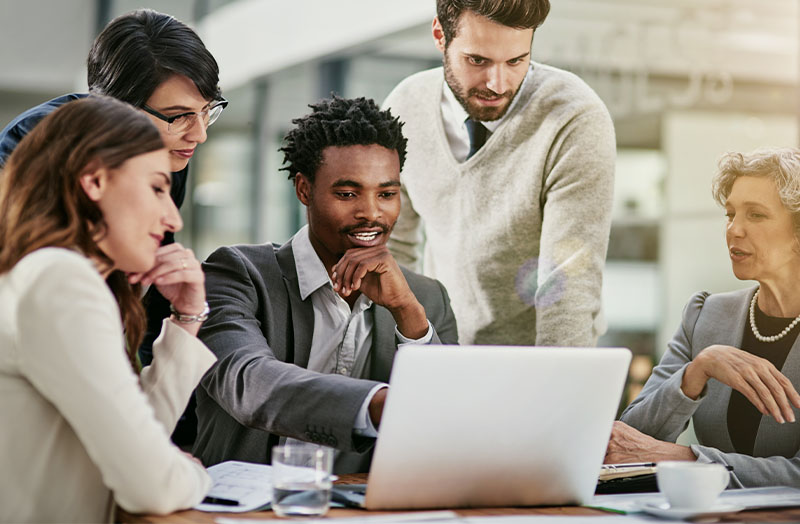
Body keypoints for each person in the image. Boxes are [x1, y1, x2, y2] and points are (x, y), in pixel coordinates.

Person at [192, 96, 459, 473]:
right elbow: (248, 382)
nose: (371, 212)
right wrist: (380, 404)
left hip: (360, 511)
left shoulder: (427, 299)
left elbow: (449, 427)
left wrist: (408, 314)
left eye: (387, 193)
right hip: (245, 510)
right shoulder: (237, 274)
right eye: (348, 194)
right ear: (304, 190)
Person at [0, 8, 226, 446]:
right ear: (113, 110)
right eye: (180, 115)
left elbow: (149, 295)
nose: (198, 134)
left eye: (208, 111)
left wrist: (171, 439)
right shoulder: (31, 149)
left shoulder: (167, 151)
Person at [0, 96, 216, 522]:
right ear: (94, 181)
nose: (173, 219)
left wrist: (186, 319)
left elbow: (134, 439)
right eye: (157, 188)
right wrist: (192, 475)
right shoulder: (59, 279)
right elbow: (151, 483)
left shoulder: (49, 275)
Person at [382, 0, 615, 346]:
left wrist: (560, 387)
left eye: (516, 61)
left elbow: (568, 282)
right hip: (438, 349)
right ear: (440, 36)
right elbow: (394, 250)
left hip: (532, 356)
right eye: (478, 60)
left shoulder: (574, 119)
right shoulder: (405, 107)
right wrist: (403, 353)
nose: (498, 83)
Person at [606, 148, 800, 488]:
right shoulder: (705, 315)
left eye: (755, 215)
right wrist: (696, 371)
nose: (734, 230)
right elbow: (629, 443)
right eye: (730, 214)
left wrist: (688, 459)